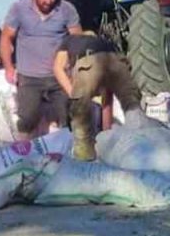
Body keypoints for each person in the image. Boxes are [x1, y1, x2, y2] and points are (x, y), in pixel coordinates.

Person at [0, 0, 81, 140]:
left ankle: (71, 154)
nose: (48, 1)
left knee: (68, 116)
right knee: (27, 119)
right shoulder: (19, 9)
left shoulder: (66, 10)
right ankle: (25, 156)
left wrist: (77, 68)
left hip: (59, 77)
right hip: (29, 77)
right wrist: (8, 67)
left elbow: (77, 39)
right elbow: (6, 37)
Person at [52, 31, 143, 161]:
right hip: (117, 61)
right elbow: (108, 99)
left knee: (80, 118)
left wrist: (74, 94)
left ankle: (84, 161)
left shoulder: (70, 40)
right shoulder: (106, 43)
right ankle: (141, 148)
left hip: (89, 61)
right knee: (133, 107)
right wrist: (106, 135)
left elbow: (57, 68)